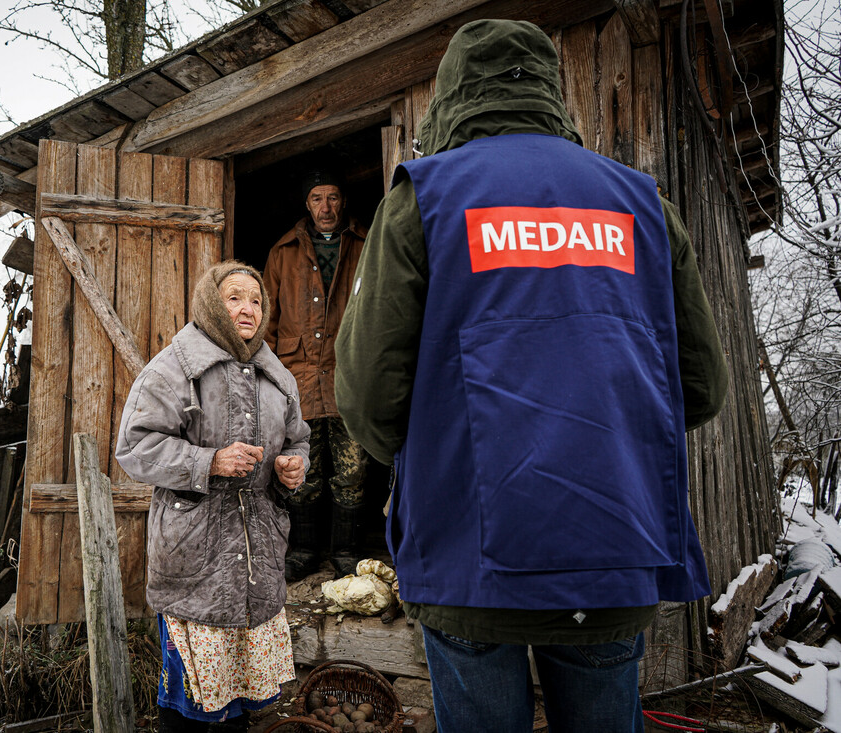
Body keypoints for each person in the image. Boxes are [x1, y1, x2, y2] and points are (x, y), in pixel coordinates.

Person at [334, 19, 729, 733]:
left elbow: (368, 398)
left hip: (470, 550)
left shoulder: (424, 198)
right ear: (553, 93)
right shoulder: (642, 205)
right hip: (611, 544)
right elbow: (700, 388)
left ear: (451, 96)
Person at [116, 261, 309, 733]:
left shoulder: (276, 373)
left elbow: (299, 439)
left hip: (256, 554)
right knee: (188, 697)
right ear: (211, 305)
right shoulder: (174, 368)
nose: (248, 309)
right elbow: (135, 448)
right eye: (235, 298)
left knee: (239, 699)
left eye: (257, 301)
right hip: (195, 557)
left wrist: (293, 466)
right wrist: (209, 462)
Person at [262, 170, 371, 581]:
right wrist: (266, 378)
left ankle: (347, 552)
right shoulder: (282, 253)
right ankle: (304, 549)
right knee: (301, 471)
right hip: (298, 379)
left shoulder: (365, 245)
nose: (326, 208)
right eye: (316, 199)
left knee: (353, 469)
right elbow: (266, 322)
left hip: (350, 377)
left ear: (344, 201)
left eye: (333, 197)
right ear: (305, 204)